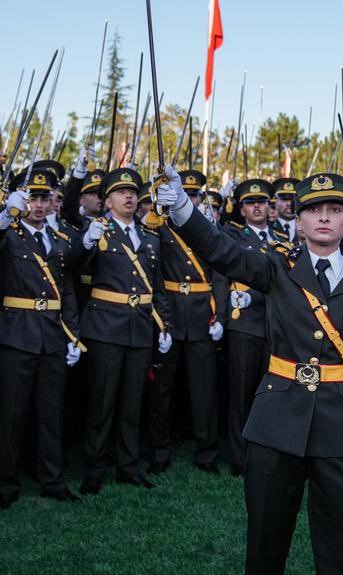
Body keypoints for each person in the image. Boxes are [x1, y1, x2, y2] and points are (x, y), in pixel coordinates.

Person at [156, 167, 343, 574]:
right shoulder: (276, 265)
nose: (323, 217)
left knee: (340, 550)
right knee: (264, 547)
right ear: (299, 221)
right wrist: (185, 209)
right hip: (276, 423)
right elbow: (223, 251)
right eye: (313, 210)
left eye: (334, 209)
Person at [75, 167, 172, 495]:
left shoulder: (149, 237)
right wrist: (85, 243)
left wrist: (164, 324)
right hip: (105, 327)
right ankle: (95, 468)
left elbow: (157, 286)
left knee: (133, 402)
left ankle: (128, 467)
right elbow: (72, 267)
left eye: (132, 191)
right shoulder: (97, 232)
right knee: (102, 403)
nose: (129, 196)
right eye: (120, 192)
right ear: (107, 201)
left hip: (140, 327)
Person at [0, 169, 85, 509]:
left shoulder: (60, 242)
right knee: (11, 415)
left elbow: (67, 292)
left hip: (52, 334)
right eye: (32, 198)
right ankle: (6, 483)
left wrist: (73, 336)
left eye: (44, 198)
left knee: (52, 413)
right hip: (17, 333)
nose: (38, 204)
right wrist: (5, 215)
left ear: (53, 203)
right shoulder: (10, 236)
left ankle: (52, 479)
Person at [147, 170, 227, 475]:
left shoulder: (205, 229)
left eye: (195, 195)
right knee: (162, 389)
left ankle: (206, 452)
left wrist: (218, 315)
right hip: (169, 314)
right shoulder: (159, 227)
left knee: (204, 389)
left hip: (201, 316)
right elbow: (153, 275)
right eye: (187, 194)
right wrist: (162, 320)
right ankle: (159, 450)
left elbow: (219, 275)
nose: (191, 199)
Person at [222, 179, 284, 476]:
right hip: (244, 323)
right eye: (250, 202)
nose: (257, 206)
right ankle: (239, 455)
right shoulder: (233, 235)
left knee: (269, 394)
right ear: (241, 209)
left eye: (262, 201)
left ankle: (265, 452)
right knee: (241, 394)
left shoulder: (282, 236)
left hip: (273, 323)